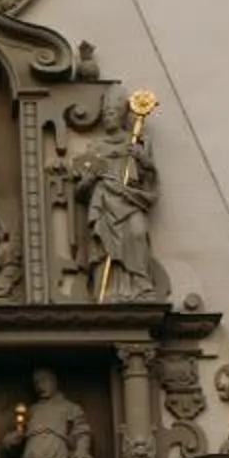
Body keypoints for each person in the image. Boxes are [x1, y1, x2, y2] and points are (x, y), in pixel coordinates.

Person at [75, 88, 158, 300]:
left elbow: (149, 181)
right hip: (104, 200)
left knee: (138, 233)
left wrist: (144, 160)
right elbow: (81, 190)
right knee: (105, 244)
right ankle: (108, 291)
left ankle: (139, 286)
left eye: (112, 113)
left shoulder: (137, 143)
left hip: (130, 199)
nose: (107, 118)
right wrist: (91, 178)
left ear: (121, 115)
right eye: (105, 114)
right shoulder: (95, 147)